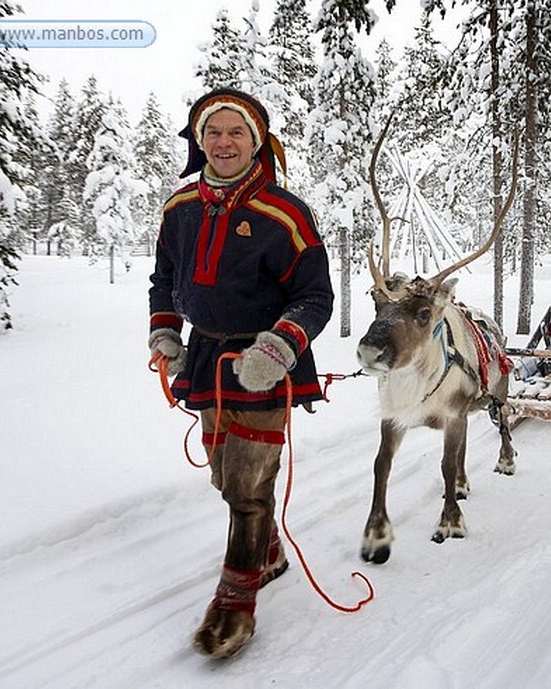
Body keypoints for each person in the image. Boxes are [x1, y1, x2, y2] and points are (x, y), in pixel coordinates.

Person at [147, 88, 333, 659]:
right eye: (213, 133)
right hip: (207, 363)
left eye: (236, 133)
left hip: (264, 367)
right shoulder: (178, 209)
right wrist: (165, 333)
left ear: (256, 142)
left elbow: (315, 295)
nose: (223, 143)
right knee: (225, 476)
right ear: (198, 140)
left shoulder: (285, 213)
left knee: (248, 489)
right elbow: (164, 279)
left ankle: (235, 604)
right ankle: (269, 552)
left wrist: (278, 347)